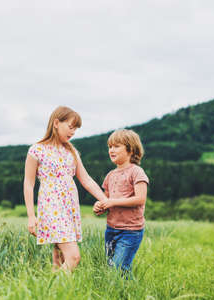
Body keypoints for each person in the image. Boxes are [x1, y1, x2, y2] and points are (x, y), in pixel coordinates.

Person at [24, 106, 108, 271]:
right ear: (56, 123)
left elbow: (86, 179)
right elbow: (28, 183)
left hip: (69, 208)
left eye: (76, 129)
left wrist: (105, 200)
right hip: (51, 208)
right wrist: (31, 216)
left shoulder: (72, 151)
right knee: (73, 257)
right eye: (71, 127)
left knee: (60, 259)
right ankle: (47, 291)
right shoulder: (37, 150)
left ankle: (56, 293)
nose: (73, 132)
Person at [93, 129, 149, 276]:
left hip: (130, 231)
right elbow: (106, 201)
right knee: (113, 268)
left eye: (116, 146)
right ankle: (123, 291)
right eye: (110, 147)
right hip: (111, 230)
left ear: (130, 149)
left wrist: (113, 202)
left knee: (119, 268)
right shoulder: (110, 176)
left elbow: (140, 199)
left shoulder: (137, 172)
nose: (111, 150)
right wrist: (100, 206)